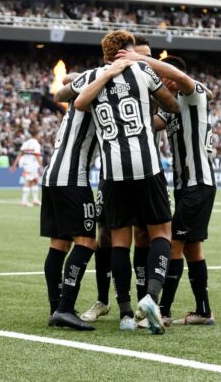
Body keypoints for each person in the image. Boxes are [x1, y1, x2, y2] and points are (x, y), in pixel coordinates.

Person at [74, 30, 179, 334]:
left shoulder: (92, 76)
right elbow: (172, 105)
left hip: (112, 170)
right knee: (161, 232)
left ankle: (125, 313)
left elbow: (76, 100)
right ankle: (151, 297)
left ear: (105, 54)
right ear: (129, 50)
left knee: (119, 240)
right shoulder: (143, 71)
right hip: (146, 165)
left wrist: (103, 75)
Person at [118, 50, 217, 326]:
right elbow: (151, 124)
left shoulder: (193, 93)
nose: (162, 82)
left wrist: (139, 59)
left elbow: (182, 78)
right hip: (187, 186)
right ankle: (203, 311)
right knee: (192, 249)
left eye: (163, 77)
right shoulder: (171, 106)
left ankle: (162, 311)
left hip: (198, 182)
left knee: (174, 243)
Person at [40, 69, 100, 331]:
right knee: (87, 243)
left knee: (59, 244)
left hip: (51, 175)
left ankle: (56, 308)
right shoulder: (98, 94)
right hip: (74, 177)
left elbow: (66, 82)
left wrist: (78, 77)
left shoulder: (81, 93)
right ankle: (65, 308)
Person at [11, 135, 42, 206]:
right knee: (29, 182)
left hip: (27, 164)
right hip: (32, 165)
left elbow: (20, 154)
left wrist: (14, 165)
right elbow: (37, 156)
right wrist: (41, 166)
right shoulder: (36, 144)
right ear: (36, 135)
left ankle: (35, 200)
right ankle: (24, 201)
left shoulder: (25, 144)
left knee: (35, 180)